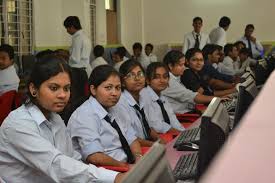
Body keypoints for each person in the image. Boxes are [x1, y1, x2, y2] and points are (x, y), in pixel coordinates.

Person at [0, 55, 123, 182]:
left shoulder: (55, 119)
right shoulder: (18, 124)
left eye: (67, 88)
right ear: (33, 89)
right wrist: (113, 178)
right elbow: (57, 164)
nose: (63, 95)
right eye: (54, 88)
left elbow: (72, 159)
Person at [67, 65, 142, 168]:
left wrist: (138, 158)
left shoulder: (117, 107)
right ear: (93, 90)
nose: (114, 93)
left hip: (126, 165)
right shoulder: (85, 115)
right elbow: (94, 157)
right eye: (108, 88)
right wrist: (126, 167)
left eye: (118, 88)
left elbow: (131, 138)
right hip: (103, 171)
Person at [113, 60, 164, 147]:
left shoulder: (142, 97)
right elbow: (130, 138)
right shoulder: (120, 103)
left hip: (147, 143)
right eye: (131, 75)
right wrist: (155, 145)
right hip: (135, 148)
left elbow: (147, 128)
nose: (137, 78)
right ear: (123, 83)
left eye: (140, 74)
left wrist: (160, 140)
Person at [140, 62, 185, 134]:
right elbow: (154, 123)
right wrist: (177, 133)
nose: (162, 80)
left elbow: (172, 119)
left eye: (165, 77)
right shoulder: (144, 96)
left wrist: (183, 132)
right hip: (157, 137)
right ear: (148, 80)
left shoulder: (162, 97)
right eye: (157, 77)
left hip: (169, 134)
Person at [63, 16, 91, 100]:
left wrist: (66, 55)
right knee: (82, 96)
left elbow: (75, 59)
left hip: (77, 72)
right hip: (83, 71)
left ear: (72, 27)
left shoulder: (77, 38)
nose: (67, 31)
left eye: (67, 28)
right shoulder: (85, 37)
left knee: (76, 97)